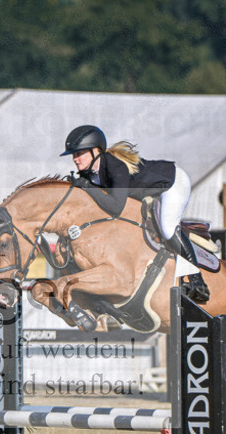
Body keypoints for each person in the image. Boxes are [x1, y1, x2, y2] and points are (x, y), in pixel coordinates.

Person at [61, 125, 210, 303]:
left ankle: (197, 283)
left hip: (173, 183)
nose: (75, 159)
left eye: (79, 154)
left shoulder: (115, 166)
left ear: (95, 151)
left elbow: (116, 206)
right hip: (153, 188)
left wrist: (86, 187)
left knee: (168, 228)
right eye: (73, 155)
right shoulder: (90, 171)